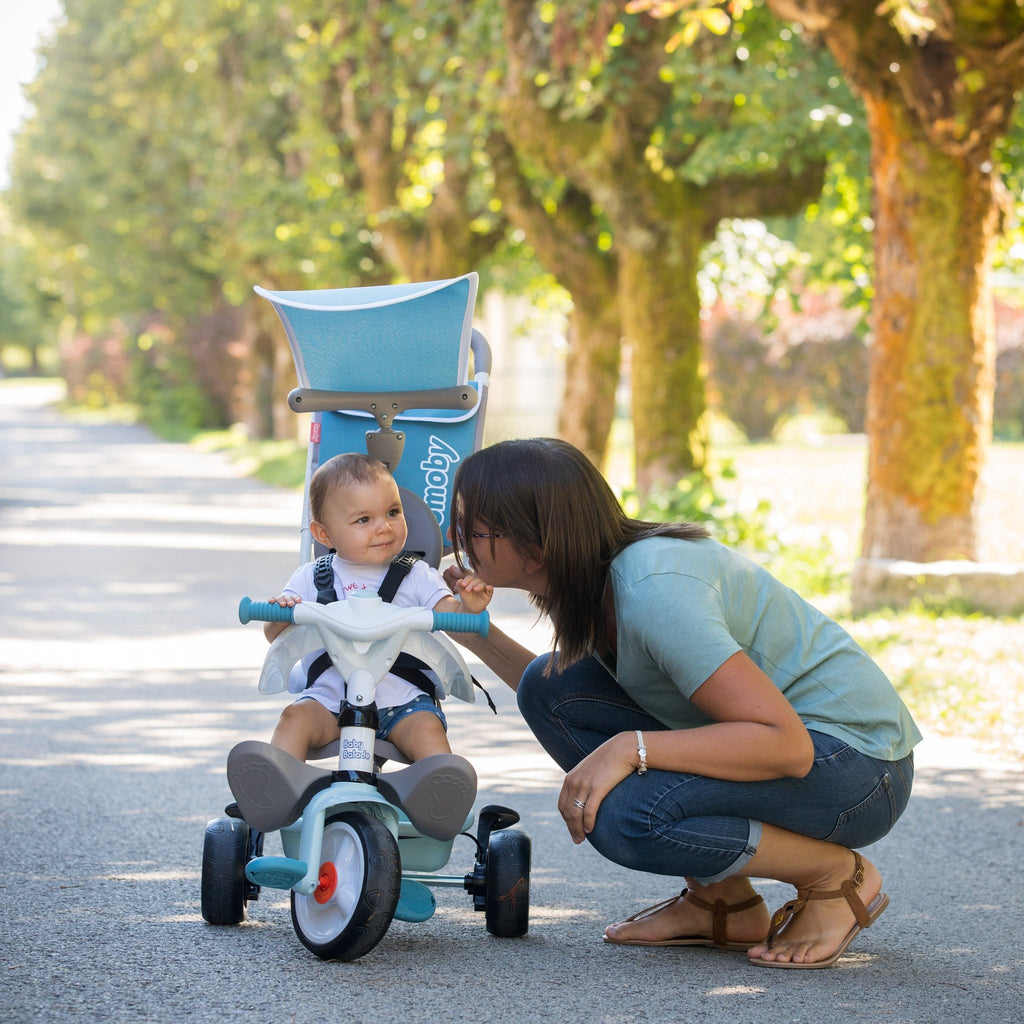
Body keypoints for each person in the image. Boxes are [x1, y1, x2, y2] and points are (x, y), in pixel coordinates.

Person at [443, 437, 920, 969]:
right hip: (812, 751)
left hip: (857, 769)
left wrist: (629, 748)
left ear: (537, 548)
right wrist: (475, 632)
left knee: (627, 815)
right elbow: (563, 697)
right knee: (546, 686)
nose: (458, 540)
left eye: (474, 530)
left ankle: (834, 877)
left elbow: (788, 747)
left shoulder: (653, 593)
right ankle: (723, 901)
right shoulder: (589, 582)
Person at [265, 452, 492, 765]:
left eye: (393, 512)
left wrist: (470, 608)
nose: (385, 527)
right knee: (293, 719)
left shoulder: (416, 574)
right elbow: (273, 634)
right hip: (330, 700)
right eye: (364, 519)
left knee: (428, 730)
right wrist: (282, 614)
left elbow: (453, 619)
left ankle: (440, 796)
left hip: (402, 704)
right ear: (324, 534)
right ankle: (274, 786)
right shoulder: (312, 576)